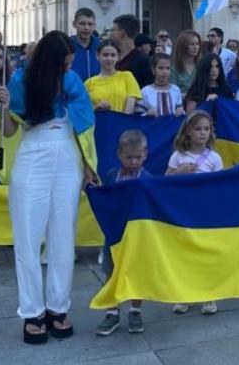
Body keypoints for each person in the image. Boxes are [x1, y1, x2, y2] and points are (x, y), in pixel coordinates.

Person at [0, 31, 99, 344]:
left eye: (70, 64)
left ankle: (58, 306)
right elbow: (10, 130)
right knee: (27, 237)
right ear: (50, 60)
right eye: (64, 64)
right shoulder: (20, 81)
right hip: (32, 154)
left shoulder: (73, 82)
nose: (69, 68)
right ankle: (32, 312)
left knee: (63, 236)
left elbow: (84, 126)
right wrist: (2, 107)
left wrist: (88, 167)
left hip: (67, 155)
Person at [166, 110, 225, 315]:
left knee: (206, 252)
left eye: (207, 129)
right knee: (184, 252)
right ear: (188, 131)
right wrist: (178, 172)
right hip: (183, 212)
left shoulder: (215, 158)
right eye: (198, 129)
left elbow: (220, 186)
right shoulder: (177, 156)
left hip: (206, 212)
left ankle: (209, 294)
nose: (203, 133)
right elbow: (164, 182)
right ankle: (185, 295)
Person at [95, 130, 149, 336]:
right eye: (129, 157)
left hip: (138, 238)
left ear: (146, 155)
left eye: (138, 157)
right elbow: (103, 197)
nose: (134, 161)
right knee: (111, 273)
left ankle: (135, 310)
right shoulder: (110, 176)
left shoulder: (148, 179)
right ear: (119, 154)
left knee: (138, 273)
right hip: (114, 236)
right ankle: (112, 312)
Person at [84, 41, 141, 115]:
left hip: (122, 124)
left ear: (118, 57)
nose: (109, 59)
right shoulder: (88, 83)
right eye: (105, 55)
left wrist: (119, 122)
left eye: (113, 55)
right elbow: (83, 111)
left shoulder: (127, 76)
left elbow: (130, 108)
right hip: (97, 124)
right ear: (97, 56)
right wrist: (96, 108)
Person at [112, 15, 152, 88]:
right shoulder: (111, 56)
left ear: (122, 32)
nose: (111, 34)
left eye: (113, 30)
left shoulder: (143, 61)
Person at [69, 9, 100, 81]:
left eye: (90, 24)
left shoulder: (100, 46)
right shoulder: (67, 45)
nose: (86, 28)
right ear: (74, 24)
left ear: (94, 26)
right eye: (82, 23)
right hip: (72, 91)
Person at [171, 30, 202, 94]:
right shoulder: (173, 67)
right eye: (192, 44)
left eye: (197, 44)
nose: (195, 47)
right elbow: (173, 93)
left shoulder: (201, 65)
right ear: (183, 45)